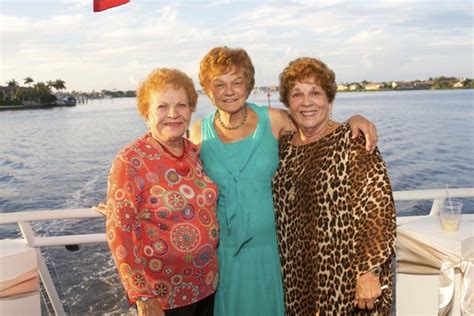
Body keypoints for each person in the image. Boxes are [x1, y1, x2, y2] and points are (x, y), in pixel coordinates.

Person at [189, 46, 379, 316]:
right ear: (207, 90)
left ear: (248, 85)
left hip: (274, 254)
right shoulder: (197, 132)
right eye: (219, 84)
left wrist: (353, 121)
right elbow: (182, 182)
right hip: (224, 257)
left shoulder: (275, 120)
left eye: (237, 82)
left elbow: (316, 126)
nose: (229, 90)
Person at [272, 57, 396, 315]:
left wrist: (368, 271)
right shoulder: (282, 147)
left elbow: (378, 210)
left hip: (346, 280)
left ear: (330, 100)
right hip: (296, 278)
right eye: (297, 94)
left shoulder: (352, 142)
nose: (306, 102)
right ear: (287, 103)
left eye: (315, 93)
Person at [105, 68, 219, 316]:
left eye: (182, 105)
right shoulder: (131, 161)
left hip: (207, 285)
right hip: (163, 298)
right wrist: (142, 296)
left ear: (190, 111)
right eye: (162, 107)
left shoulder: (195, 153)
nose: (173, 114)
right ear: (146, 114)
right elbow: (119, 234)